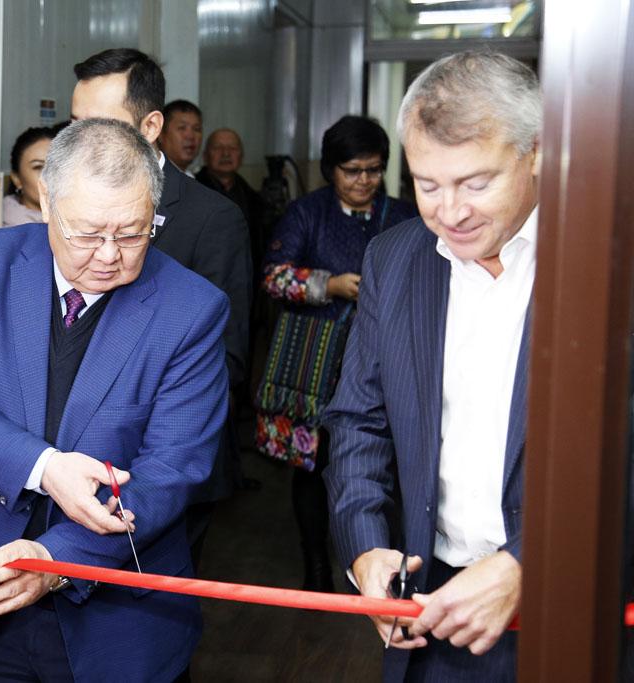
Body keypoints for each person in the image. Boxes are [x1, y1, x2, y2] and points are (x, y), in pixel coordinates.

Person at [0, 117, 228, 682]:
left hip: (115, 616)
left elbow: (171, 471)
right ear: (47, 200)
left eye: (133, 234)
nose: (108, 255)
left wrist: (55, 560)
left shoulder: (191, 310)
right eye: (87, 233)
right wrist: (45, 468)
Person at [323, 52, 541, 681]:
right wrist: (366, 547)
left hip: (571, 604)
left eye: (475, 183)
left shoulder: (605, 254)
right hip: (430, 598)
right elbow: (358, 420)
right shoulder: (394, 259)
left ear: (537, 153)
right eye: (427, 184)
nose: (450, 211)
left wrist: (529, 563)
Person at [71, 48, 253, 568]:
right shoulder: (67, 200)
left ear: (150, 126)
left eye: (99, 125)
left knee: (150, 605)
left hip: (164, 461)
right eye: (75, 124)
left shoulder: (211, 218)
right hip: (74, 457)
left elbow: (226, 358)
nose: (80, 141)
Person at [257, 115, 417, 593]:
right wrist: (329, 285)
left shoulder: (404, 216)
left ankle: (382, 560)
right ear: (331, 169)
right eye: (352, 171)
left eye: (374, 170)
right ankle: (317, 565)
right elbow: (273, 276)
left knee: (381, 463)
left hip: (386, 362)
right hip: (314, 364)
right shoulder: (308, 212)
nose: (364, 181)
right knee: (313, 467)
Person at [196, 128, 269, 276]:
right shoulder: (193, 191)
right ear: (205, 156)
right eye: (218, 148)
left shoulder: (254, 199)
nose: (226, 153)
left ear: (241, 157)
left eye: (233, 148)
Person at [2, 126, 54, 227]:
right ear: (17, 179)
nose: (50, 175)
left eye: (56, 165)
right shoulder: (9, 229)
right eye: (38, 167)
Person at [158, 99, 203, 176]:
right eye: (182, 128)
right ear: (160, 134)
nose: (190, 136)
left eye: (197, 129)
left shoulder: (192, 179)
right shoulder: (148, 177)